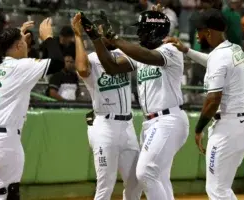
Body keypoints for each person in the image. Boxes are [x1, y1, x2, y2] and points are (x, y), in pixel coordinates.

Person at [81, 9, 189, 200]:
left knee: (145, 173)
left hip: (169, 119)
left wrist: (113, 38)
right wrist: (96, 39)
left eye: (142, 29)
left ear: (154, 30)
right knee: (160, 177)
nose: (139, 33)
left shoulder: (170, 50)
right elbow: (111, 66)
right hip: (151, 123)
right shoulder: (140, 55)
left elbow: (148, 57)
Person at [164, 8, 244, 200]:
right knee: (223, 188)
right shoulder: (234, 49)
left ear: (208, 32)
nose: (197, 35)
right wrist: (186, 50)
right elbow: (213, 61)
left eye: (199, 30)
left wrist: (199, 129)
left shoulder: (220, 57)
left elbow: (213, 100)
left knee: (216, 190)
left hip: (228, 130)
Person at [0, 19, 65, 200]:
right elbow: (57, 62)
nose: (27, 45)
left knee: (3, 194)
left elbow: (11, 61)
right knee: (6, 196)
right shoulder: (20, 67)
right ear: (17, 45)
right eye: (24, 43)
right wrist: (48, 38)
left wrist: (17, 38)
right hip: (4, 142)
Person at [72, 13, 142, 200]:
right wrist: (78, 36)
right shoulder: (91, 59)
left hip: (127, 126)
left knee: (136, 181)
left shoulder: (123, 54)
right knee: (105, 185)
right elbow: (81, 69)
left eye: (107, 29)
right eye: (100, 31)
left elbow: (114, 64)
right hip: (105, 126)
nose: (106, 33)